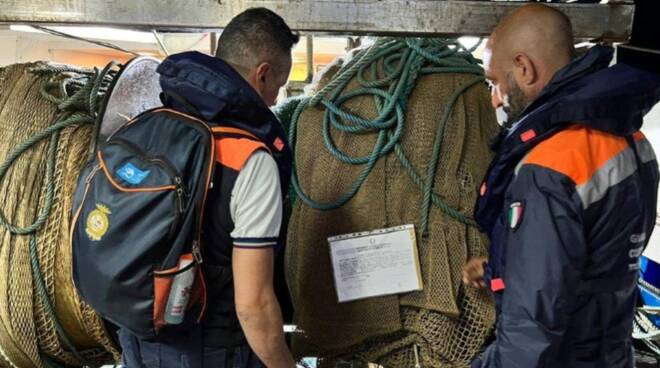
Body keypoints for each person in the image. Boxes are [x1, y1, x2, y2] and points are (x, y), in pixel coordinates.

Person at [463, 4, 660, 367]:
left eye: (494, 81)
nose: (494, 97)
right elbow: (597, 261)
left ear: (524, 68)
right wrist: (502, 268)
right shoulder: (632, 139)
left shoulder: (547, 165)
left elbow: (528, 339)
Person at [119, 8, 299, 368]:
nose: (276, 102)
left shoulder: (148, 125)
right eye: (277, 88)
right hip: (214, 351)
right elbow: (253, 305)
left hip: (138, 340)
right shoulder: (249, 157)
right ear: (262, 74)